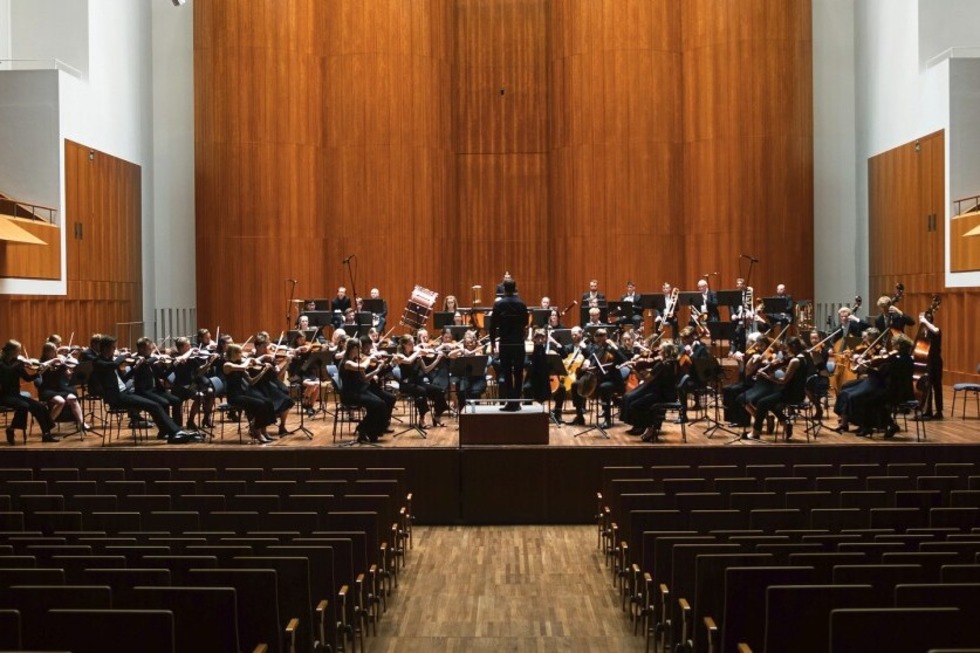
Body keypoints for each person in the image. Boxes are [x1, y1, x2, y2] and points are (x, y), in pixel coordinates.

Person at [91, 335, 196, 443]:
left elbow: (123, 379)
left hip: (125, 393)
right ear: (105, 348)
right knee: (155, 405)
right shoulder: (98, 362)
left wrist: (134, 369)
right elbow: (111, 365)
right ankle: (175, 432)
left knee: (155, 405)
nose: (115, 350)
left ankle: (173, 432)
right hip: (116, 397)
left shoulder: (110, 362)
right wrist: (121, 357)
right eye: (113, 348)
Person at [1, 340, 58, 444]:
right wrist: (20, 363)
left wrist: (39, 372)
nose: (20, 354)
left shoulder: (17, 363)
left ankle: (46, 434)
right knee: (24, 406)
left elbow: (27, 378)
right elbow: (6, 372)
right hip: (4, 396)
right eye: (18, 351)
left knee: (39, 406)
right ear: (12, 351)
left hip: (15, 395)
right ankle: (11, 429)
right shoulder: (2, 363)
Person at [621, 341, 679, 441]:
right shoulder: (674, 363)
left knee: (636, 405)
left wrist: (634, 370)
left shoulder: (662, 365)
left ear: (665, 352)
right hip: (670, 394)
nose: (659, 352)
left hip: (661, 395)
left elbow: (647, 380)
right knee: (636, 400)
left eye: (661, 350)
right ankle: (648, 427)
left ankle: (649, 427)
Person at [223, 342, 276, 444]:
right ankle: (257, 432)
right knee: (260, 404)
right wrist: (248, 360)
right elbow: (243, 367)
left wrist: (263, 371)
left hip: (242, 394)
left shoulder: (239, 364)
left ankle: (264, 431)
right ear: (234, 353)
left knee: (268, 402)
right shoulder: (227, 365)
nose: (242, 354)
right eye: (240, 352)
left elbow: (251, 381)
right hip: (234, 396)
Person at [339, 339, 390, 443]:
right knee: (378, 405)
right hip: (350, 394)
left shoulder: (356, 360)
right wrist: (370, 359)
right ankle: (366, 430)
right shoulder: (346, 363)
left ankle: (366, 429)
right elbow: (362, 367)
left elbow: (365, 379)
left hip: (360, 391)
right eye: (360, 348)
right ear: (354, 348)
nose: (361, 350)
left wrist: (377, 370)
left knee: (381, 404)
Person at [393, 334, 449, 427]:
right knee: (421, 391)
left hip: (418, 382)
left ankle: (437, 416)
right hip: (406, 384)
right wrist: (418, 352)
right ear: (404, 345)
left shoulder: (416, 355)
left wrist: (437, 359)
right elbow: (408, 361)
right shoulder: (399, 356)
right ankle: (421, 419)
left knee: (439, 390)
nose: (413, 345)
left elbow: (426, 369)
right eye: (410, 344)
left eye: (413, 343)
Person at [490, 279, 529, 411]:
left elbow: (492, 325)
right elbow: (525, 322)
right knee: (518, 373)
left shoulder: (499, 304)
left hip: (505, 343)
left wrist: (491, 342)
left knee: (506, 373)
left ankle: (509, 402)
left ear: (504, 289)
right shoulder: (522, 304)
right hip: (518, 343)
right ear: (515, 288)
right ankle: (517, 402)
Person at [37, 341, 88, 433]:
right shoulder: (42, 362)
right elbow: (40, 370)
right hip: (47, 389)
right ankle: (47, 426)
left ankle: (81, 423)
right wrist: (53, 361)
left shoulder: (60, 362)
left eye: (55, 351)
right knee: (61, 401)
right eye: (53, 351)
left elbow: (68, 375)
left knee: (73, 398)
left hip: (59, 388)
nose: (55, 353)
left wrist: (71, 371)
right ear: (46, 352)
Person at [916, 310, 943, 420]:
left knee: (937, 386)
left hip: (935, 361)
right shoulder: (923, 332)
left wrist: (925, 321)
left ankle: (939, 412)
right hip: (926, 362)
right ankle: (928, 410)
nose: (924, 319)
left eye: (928, 318)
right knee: (927, 386)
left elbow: (936, 331)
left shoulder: (935, 329)